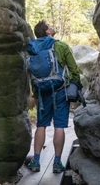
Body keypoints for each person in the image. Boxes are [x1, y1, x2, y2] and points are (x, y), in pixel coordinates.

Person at [27, 20, 81, 173]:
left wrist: (36, 94)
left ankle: (36, 161)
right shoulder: (60, 46)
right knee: (59, 126)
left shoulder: (33, 48)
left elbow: (32, 73)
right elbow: (74, 69)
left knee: (41, 125)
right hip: (60, 91)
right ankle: (57, 163)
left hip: (42, 94)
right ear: (47, 32)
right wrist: (74, 85)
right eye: (49, 26)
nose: (52, 26)